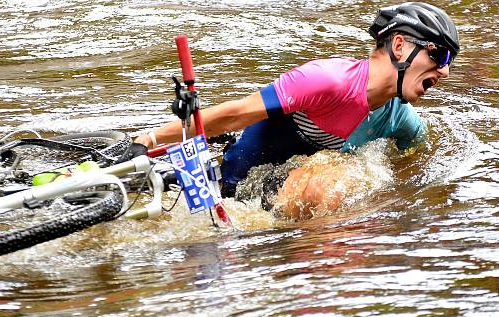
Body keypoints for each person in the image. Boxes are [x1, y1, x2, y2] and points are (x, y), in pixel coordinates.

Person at [133, 2, 460, 217]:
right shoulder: (327, 81)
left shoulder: (400, 118)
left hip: (284, 201)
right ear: (400, 46)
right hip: (234, 181)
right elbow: (235, 114)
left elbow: (416, 156)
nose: (444, 71)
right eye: (439, 55)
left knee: (334, 178)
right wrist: (148, 139)